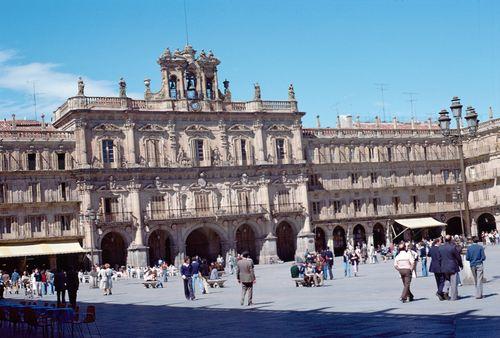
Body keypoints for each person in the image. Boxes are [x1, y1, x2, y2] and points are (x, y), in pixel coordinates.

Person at [439, 235, 463, 301]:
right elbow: (458, 257)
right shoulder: (453, 247)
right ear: (450, 240)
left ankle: (445, 291)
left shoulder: (440, 247)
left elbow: (439, 257)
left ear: (444, 240)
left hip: (444, 266)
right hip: (453, 266)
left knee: (447, 280)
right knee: (454, 282)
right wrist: (461, 264)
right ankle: (454, 296)